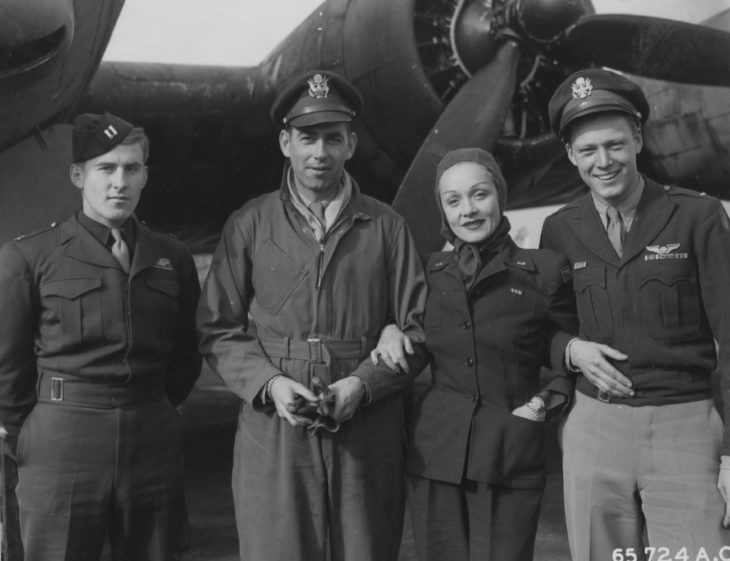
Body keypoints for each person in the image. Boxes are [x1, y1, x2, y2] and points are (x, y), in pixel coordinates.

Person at [196, 69, 427, 561]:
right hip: (275, 423)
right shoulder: (249, 224)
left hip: (366, 423)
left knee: (366, 549)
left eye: (332, 138)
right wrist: (270, 384)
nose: (319, 153)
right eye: (306, 138)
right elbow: (217, 328)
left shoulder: (387, 227)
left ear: (351, 144)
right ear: (285, 142)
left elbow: (419, 330)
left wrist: (363, 384)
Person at [540, 68, 730, 560]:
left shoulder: (697, 216)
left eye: (615, 145)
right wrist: (571, 349)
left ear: (638, 139)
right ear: (570, 155)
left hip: (684, 424)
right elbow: (547, 327)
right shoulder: (559, 229)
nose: (603, 162)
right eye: (588, 151)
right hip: (594, 426)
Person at [0, 112, 201, 561]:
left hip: (151, 435)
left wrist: (153, 407)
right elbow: (7, 369)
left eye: (131, 169)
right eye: (105, 169)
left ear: (145, 175)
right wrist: (29, 437)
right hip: (63, 438)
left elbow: (186, 356)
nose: (119, 182)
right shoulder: (30, 258)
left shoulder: (171, 256)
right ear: (77, 175)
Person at [370, 148, 577, 561]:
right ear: (443, 211)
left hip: (508, 455)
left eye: (479, 195)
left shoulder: (545, 271)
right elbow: (409, 332)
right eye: (453, 201)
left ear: (499, 196)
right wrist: (389, 327)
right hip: (434, 460)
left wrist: (541, 407)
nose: (468, 210)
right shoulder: (426, 274)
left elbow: (572, 359)